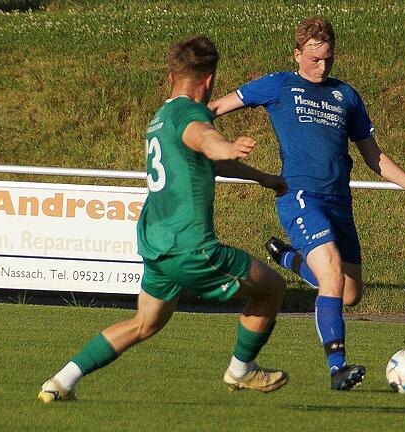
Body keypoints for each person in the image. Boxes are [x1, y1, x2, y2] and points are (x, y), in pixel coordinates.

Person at [38, 35, 290, 403]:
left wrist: (260, 176)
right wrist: (227, 144)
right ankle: (241, 369)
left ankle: (60, 381)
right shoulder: (191, 114)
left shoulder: (160, 118)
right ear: (208, 81)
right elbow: (205, 140)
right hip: (190, 246)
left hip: (156, 244)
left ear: (170, 77)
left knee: (145, 323)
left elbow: (207, 157)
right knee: (272, 288)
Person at [209, 16, 405, 390]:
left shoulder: (345, 95)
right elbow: (216, 108)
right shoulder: (278, 84)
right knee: (332, 274)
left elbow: (375, 157)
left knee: (349, 293)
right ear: (297, 54)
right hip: (300, 197)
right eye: (315, 58)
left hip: (339, 202)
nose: (322, 66)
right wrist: (190, 131)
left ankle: (289, 259)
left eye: (328, 59)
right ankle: (338, 368)